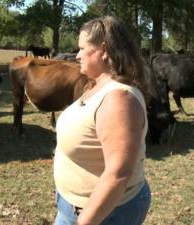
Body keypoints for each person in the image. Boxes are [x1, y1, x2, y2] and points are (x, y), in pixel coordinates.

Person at [53, 16, 151, 225]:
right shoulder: (99, 85)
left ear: (104, 50)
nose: (77, 55)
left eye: (82, 48)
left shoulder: (118, 100)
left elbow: (118, 174)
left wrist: (84, 221)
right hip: (76, 205)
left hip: (103, 214)